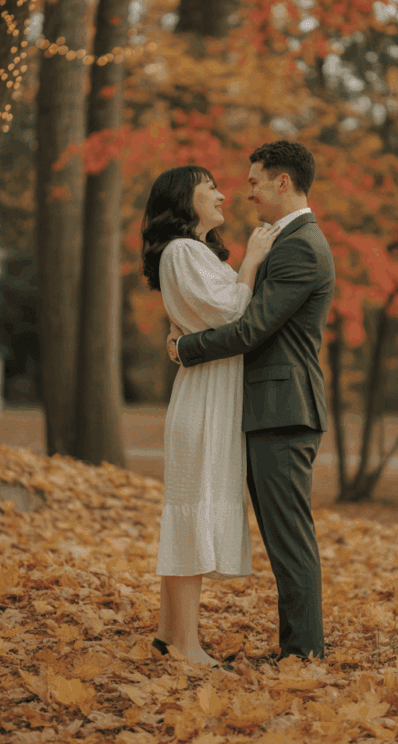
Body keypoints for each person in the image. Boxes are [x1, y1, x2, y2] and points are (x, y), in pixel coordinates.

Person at [166, 141, 335, 665]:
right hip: (269, 409)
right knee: (284, 539)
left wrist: (185, 349)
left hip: (284, 409)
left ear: (283, 182)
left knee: (290, 539)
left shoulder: (300, 246)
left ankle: (303, 655)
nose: (248, 192)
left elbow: (251, 328)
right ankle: (297, 650)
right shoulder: (286, 241)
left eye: (255, 181)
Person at [140, 163, 280, 669]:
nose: (222, 195)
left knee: (189, 510)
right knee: (190, 513)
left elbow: (210, 318)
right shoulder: (182, 250)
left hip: (213, 394)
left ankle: (168, 634)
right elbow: (228, 314)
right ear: (184, 199)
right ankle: (186, 645)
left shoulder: (196, 252)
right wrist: (253, 262)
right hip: (203, 401)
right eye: (210, 188)